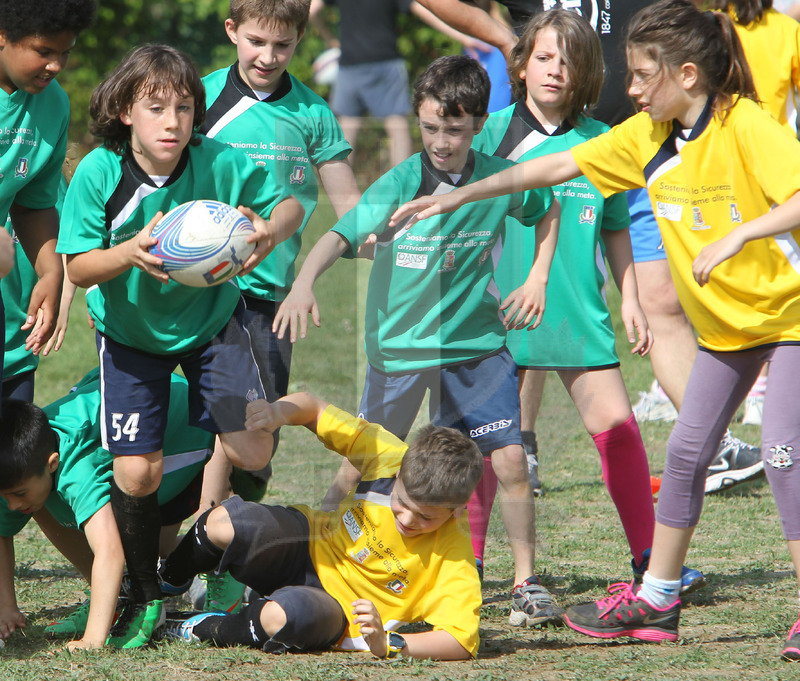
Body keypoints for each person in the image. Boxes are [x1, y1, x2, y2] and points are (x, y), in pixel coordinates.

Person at [389, 0, 800, 659]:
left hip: (785, 319)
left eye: (640, 75)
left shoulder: (742, 124)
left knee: (779, 454)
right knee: (685, 454)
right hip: (725, 328)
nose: (630, 89)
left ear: (686, 74)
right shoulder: (643, 135)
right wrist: (455, 194)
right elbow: (546, 171)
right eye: (629, 74)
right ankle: (658, 594)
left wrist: (739, 236)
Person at [274, 55, 562, 627]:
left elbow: (546, 205)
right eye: (430, 127)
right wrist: (304, 281)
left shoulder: (498, 177)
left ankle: (526, 582)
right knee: (362, 464)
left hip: (476, 345)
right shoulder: (402, 180)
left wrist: (537, 277)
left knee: (508, 460)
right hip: (401, 350)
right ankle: (314, 556)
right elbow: (338, 234)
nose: (441, 141)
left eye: (454, 129)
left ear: (478, 123)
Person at [56, 44, 304, 648]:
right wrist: (129, 253)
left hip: (213, 325)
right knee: (137, 472)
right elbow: (80, 267)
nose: (173, 122)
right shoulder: (99, 172)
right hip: (131, 338)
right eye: (156, 108)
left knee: (251, 448)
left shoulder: (217, 160)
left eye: (186, 108)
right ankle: (143, 597)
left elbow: (292, 204)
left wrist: (271, 227)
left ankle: (182, 567)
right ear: (123, 111)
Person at [470, 9, 661, 588]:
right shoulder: (490, 133)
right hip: (496, 317)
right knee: (481, 449)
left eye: (569, 60)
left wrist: (630, 297)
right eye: (544, 57)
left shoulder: (601, 141)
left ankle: (652, 567)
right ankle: (468, 569)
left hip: (577, 311)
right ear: (522, 65)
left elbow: (616, 226)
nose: (555, 70)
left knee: (619, 431)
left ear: (586, 74)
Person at [189, 0, 362, 613]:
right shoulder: (197, 96)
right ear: (232, 30)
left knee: (255, 429)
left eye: (282, 47)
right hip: (193, 296)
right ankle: (176, 554)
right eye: (256, 41)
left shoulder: (312, 114)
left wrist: (397, 238)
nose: (267, 57)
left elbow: (353, 213)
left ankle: (224, 558)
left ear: (299, 42)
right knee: (189, 430)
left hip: (267, 300)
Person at [159, 391, 483, 660]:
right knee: (222, 522)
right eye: (404, 503)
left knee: (280, 618)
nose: (409, 520)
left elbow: (461, 641)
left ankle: (195, 625)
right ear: (399, 473)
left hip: (337, 608)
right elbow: (314, 409)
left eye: (426, 517)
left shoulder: (455, 556)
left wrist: (390, 643)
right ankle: (160, 586)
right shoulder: (388, 454)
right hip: (309, 542)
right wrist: (276, 413)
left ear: (455, 511)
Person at [0, 369, 214, 650]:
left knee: (157, 548)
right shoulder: (27, 458)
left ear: (53, 463)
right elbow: (2, 530)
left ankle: (222, 561)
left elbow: (110, 551)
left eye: (18, 494)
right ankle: (114, 598)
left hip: (184, 435)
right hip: (145, 409)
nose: (12, 504)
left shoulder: (75, 469)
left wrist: (93, 639)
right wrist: (6, 606)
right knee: (37, 504)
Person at [0, 0, 97, 391]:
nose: (56, 65)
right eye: (44, 51)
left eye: (65, 52)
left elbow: (33, 203)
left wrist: (51, 271)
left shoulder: (52, 102)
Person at [308, 0, 486, 171]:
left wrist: (329, 37)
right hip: (385, 62)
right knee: (397, 126)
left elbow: (312, 10)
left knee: (347, 127)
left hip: (350, 63)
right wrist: (463, 36)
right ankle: (404, 187)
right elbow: (426, 9)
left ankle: (343, 194)